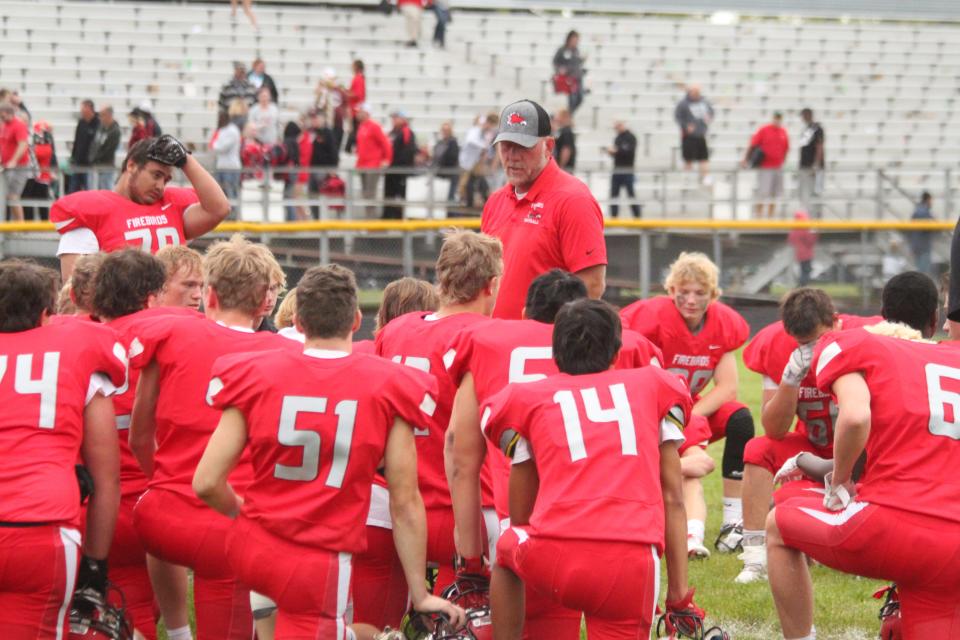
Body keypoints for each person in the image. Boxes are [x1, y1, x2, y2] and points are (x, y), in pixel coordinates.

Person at [193, 264, 466, 638]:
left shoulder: (252, 371)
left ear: (298, 322)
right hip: (319, 555)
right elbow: (405, 501)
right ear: (356, 320)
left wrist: (247, 517)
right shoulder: (390, 384)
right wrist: (419, 593)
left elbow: (207, 481)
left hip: (254, 545)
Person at [446, 269, 664, 638]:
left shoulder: (486, 341)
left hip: (527, 521)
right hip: (625, 534)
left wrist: (470, 556)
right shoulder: (635, 353)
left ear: (526, 311)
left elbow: (459, 447)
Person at [484, 299, 707, 639]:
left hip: (555, 554)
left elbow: (520, 514)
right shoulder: (652, 386)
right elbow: (673, 498)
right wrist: (678, 594)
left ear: (555, 354)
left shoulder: (530, 399)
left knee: (506, 546)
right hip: (631, 560)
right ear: (617, 352)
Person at [767, 271, 960, 639]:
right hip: (954, 545)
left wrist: (836, 481)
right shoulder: (949, 356)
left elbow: (855, 417)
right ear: (935, 321)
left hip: (897, 525)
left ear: (880, 313)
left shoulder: (854, 345)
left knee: (777, 525)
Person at [125, 236, 294, 640]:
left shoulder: (170, 333)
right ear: (263, 301)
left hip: (157, 515)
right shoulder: (279, 352)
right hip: (225, 520)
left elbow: (138, 435)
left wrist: (166, 482)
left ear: (211, 293)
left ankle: (176, 631)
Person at [0, 260, 127, 637]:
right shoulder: (79, 348)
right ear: (46, 314)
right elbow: (107, 479)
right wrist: (96, 565)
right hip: (41, 527)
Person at [374, 231, 503, 593]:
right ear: (490, 285)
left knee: (378, 624)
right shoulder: (488, 335)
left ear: (441, 277)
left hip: (395, 506)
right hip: (463, 510)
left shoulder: (395, 330)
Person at [735, 288, 880, 584]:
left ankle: (867, 543)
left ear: (836, 321)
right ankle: (754, 555)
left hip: (865, 449)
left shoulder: (869, 335)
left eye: (818, 340)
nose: (812, 348)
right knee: (758, 449)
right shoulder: (777, 345)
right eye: (803, 343)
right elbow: (774, 429)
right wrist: (790, 380)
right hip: (812, 446)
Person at [620, 252, 755, 558]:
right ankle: (685, 524)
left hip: (692, 407)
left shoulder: (722, 325)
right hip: (656, 407)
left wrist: (690, 413)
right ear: (671, 292)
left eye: (700, 293)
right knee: (693, 466)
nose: (691, 300)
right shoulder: (651, 318)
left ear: (714, 295)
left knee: (740, 419)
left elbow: (728, 387)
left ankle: (733, 519)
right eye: (684, 293)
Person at [91, 249, 180, 639]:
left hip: (83, 504)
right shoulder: (173, 335)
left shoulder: (78, 338)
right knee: (139, 611)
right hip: (148, 497)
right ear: (150, 297)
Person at [482, 99, 606, 320]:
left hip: (541, 347)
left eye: (523, 146)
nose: (512, 156)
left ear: (548, 146)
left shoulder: (573, 200)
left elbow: (592, 285)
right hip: (495, 342)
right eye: (506, 146)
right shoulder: (496, 200)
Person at [51, 135, 230, 281]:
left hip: (171, 316)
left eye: (166, 180)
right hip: (122, 318)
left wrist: (185, 160)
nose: (160, 186)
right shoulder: (91, 212)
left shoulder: (171, 207)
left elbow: (219, 209)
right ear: (131, 166)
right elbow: (75, 297)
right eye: (156, 175)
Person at [743, 112, 790, 218]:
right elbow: (753, 144)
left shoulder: (783, 132)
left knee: (774, 192)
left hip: (777, 166)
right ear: (772, 118)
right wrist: (745, 159)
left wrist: (783, 161)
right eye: (776, 118)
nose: (777, 120)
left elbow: (786, 148)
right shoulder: (764, 130)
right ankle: (759, 214)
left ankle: (770, 214)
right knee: (763, 191)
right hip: (765, 167)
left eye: (779, 118)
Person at [354, 103, 392, 219]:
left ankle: (371, 222)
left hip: (373, 164)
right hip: (363, 165)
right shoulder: (362, 126)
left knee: (370, 194)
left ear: (366, 113)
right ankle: (368, 220)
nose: (358, 113)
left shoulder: (374, 126)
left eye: (360, 111)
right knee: (366, 194)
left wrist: (386, 159)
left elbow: (385, 143)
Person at [456, 112, 497, 210]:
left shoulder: (485, 134)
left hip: (475, 164)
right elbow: (470, 141)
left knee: (476, 183)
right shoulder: (475, 130)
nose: (489, 127)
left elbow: (488, 150)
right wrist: (484, 146)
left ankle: (483, 202)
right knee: (466, 184)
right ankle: (469, 204)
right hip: (467, 163)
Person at [674, 84, 714, 184]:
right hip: (688, 136)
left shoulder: (704, 102)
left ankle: (706, 177)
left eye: (698, 92)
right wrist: (686, 126)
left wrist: (709, 117)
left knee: (704, 158)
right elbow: (678, 117)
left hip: (701, 135)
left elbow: (711, 112)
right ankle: (686, 178)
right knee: (688, 158)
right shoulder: (683, 104)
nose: (696, 94)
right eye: (694, 92)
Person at [0, 102, 31, 221]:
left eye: (2, 116)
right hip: (7, 166)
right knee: (9, 196)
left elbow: (23, 144)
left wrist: (13, 160)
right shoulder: (5, 125)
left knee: (13, 196)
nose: (1, 118)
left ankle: (20, 226)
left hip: (19, 167)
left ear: (10, 113)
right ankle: (15, 225)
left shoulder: (18, 125)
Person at [21, 120, 57, 221]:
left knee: (41, 201)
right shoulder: (35, 140)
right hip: (35, 175)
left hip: (42, 176)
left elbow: (44, 155)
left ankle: (43, 223)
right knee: (30, 200)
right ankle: (30, 222)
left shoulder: (46, 143)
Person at [384, 111, 416, 220]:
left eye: (396, 118)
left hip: (400, 170)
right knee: (389, 195)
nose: (393, 120)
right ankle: (388, 216)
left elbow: (408, 152)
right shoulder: (392, 132)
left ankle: (399, 217)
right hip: (391, 170)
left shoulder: (406, 132)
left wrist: (398, 165)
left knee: (401, 195)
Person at [605, 120, 641, 218]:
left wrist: (616, 151)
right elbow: (619, 153)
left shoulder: (631, 137)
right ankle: (614, 217)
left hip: (627, 170)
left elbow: (628, 152)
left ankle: (637, 217)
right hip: (617, 170)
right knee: (614, 195)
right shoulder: (617, 138)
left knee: (631, 195)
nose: (616, 128)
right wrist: (612, 152)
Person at [211, 111, 242, 215]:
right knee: (221, 193)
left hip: (231, 167)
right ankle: (225, 215)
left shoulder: (232, 130)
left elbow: (222, 147)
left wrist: (215, 146)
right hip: (221, 166)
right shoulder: (222, 130)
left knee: (231, 192)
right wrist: (216, 146)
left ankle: (234, 215)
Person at [156, 244, 204, 310]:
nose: (198, 295)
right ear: (161, 286)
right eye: (189, 285)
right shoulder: (138, 319)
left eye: (202, 287)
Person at [67, 99, 99, 194]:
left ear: (89, 108)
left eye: (83, 109)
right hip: (78, 163)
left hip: (89, 165)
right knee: (73, 191)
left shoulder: (98, 124)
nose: (81, 111)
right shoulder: (81, 122)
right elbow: (76, 141)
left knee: (89, 190)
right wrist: (73, 158)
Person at [797, 108, 824, 218]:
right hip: (805, 166)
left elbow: (819, 146)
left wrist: (816, 164)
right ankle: (807, 215)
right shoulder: (807, 129)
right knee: (805, 192)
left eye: (803, 115)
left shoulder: (817, 129)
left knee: (815, 191)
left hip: (813, 167)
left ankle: (815, 216)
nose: (802, 118)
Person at [552, 30, 586, 113]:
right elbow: (555, 62)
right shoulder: (562, 50)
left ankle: (569, 114)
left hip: (578, 77)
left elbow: (577, 63)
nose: (576, 42)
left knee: (580, 98)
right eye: (574, 40)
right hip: (569, 78)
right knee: (572, 98)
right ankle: (568, 115)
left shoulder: (576, 50)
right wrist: (560, 69)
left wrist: (582, 60)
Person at [430, 121, 459, 203]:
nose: (445, 132)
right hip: (440, 174)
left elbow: (452, 158)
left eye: (447, 130)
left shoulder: (453, 142)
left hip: (450, 174)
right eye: (443, 130)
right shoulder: (439, 143)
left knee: (450, 197)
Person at [787, 210, 817, 286]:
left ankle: (801, 285)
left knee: (803, 270)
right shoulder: (805, 228)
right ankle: (802, 286)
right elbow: (810, 241)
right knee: (806, 270)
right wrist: (813, 233)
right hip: (806, 254)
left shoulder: (795, 229)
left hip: (799, 253)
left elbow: (791, 240)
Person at [343, 60, 367, 154]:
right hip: (356, 108)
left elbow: (358, 94)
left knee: (355, 130)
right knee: (355, 130)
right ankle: (351, 148)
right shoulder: (359, 78)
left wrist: (347, 93)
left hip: (355, 109)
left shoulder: (358, 78)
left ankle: (349, 148)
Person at [909, 191, 934, 276]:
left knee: (920, 272)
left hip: (918, 245)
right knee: (922, 274)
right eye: (931, 200)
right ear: (927, 200)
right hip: (922, 246)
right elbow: (928, 226)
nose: (932, 202)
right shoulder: (923, 211)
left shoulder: (918, 210)